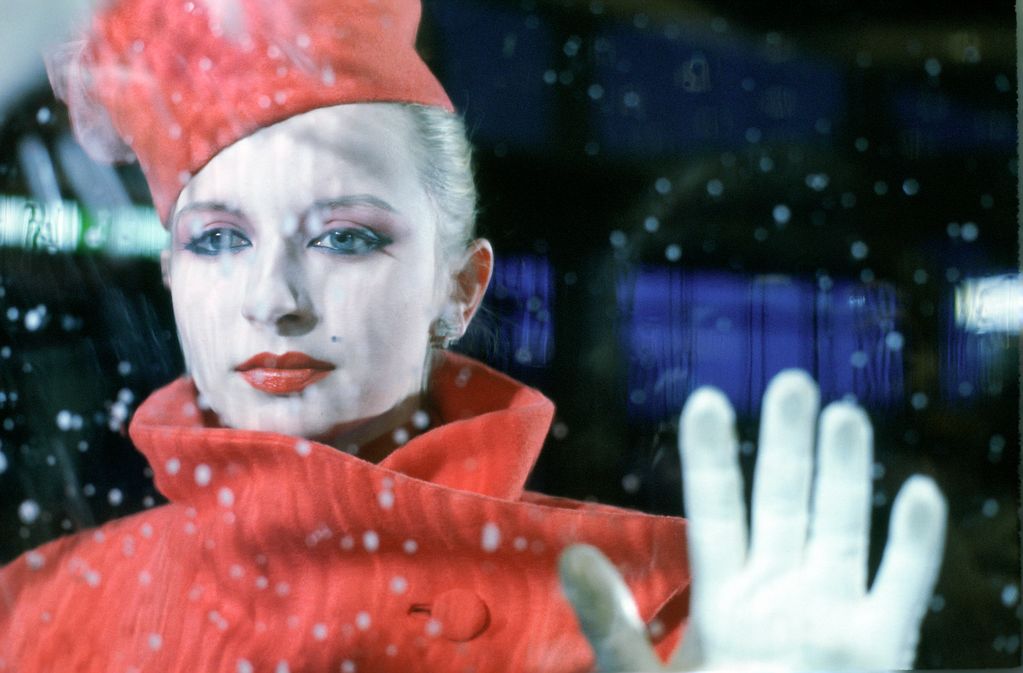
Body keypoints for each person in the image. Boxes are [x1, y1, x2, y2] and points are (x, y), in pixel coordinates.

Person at [0, 0, 946, 671]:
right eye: (217, 239)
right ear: (170, 277)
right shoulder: (33, 609)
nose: (273, 298)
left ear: (460, 287)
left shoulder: (660, 597)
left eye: (343, 236)